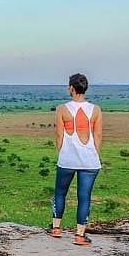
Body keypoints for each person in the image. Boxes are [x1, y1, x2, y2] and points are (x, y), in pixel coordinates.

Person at [47, 73, 102, 245]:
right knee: (84, 197)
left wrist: (61, 153)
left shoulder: (62, 109)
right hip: (90, 161)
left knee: (60, 192)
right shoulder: (95, 110)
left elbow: (59, 134)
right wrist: (94, 155)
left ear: (71, 88)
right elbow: (98, 135)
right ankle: (80, 235)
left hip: (67, 159)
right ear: (85, 88)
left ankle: (56, 228)